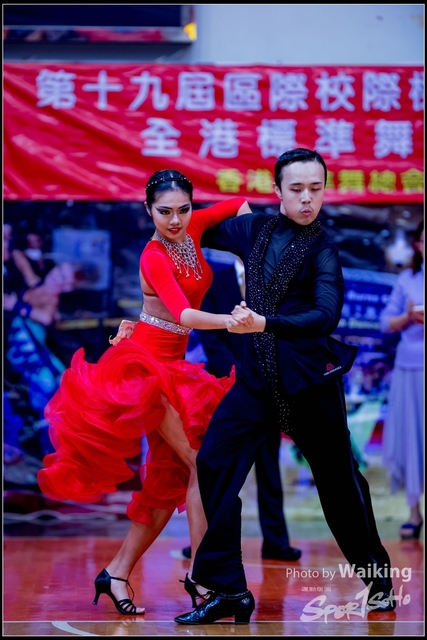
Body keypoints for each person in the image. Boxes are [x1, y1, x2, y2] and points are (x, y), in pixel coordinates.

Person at [174, 148, 397, 626]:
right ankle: (228, 588)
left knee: (341, 486)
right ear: (277, 191)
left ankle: (378, 579)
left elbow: (325, 316)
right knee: (214, 462)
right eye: (296, 189)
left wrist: (265, 322)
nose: (307, 199)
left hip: (309, 386)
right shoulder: (252, 230)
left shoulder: (323, 250)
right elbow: (189, 228)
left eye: (315, 189)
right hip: (256, 384)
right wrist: (171, 213)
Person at [37, 169, 253, 616]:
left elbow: (239, 206)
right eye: (164, 212)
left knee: (168, 482)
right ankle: (204, 577)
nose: (175, 220)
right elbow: (185, 315)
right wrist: (236, 320)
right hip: (147, 369)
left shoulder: (193, 227)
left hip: (175, 366)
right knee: (202, 464)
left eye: (183, 210)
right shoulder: (153, 255)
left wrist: (249, 267)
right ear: (148, 210)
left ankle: (116, 572)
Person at [181, 257, 301, 562]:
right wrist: (237, 374)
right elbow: (210, 337)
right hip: (226, 386)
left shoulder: (276, 279)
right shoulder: (216, 278)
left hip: (267, 386)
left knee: (269, 467)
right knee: (219, 466)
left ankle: (276, 542)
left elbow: (283, 331)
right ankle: (203, 540)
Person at [380, 220, 424, 541]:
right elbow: (386, 323)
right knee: (412, 439)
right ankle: (414, 513)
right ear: (417, 245)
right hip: (410, 369)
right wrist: (408, 317)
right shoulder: (407, 279)